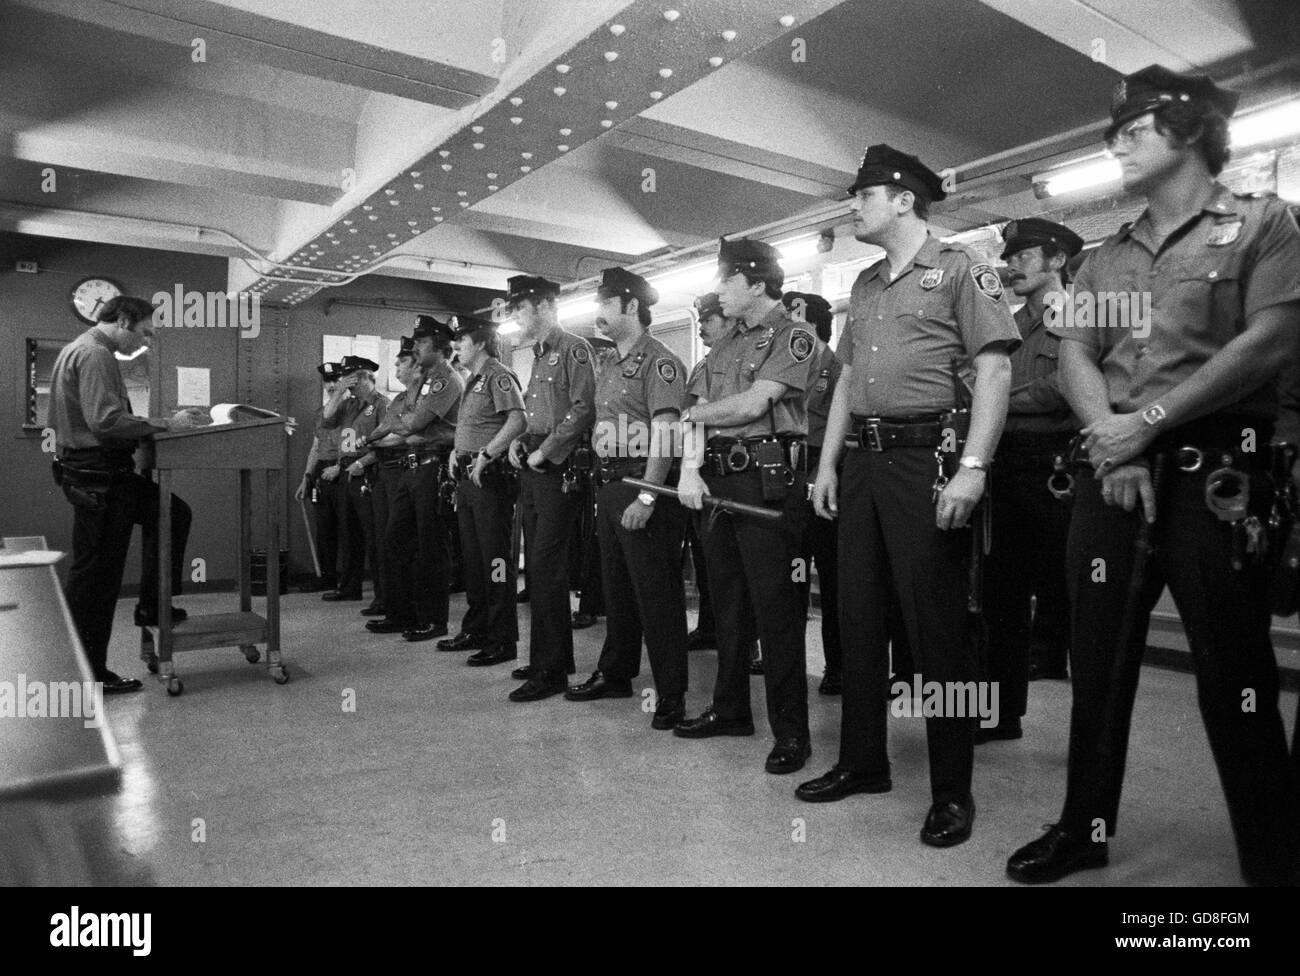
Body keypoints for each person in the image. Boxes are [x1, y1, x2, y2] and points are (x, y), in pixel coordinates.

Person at [1007, 65, 1300, 886]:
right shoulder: (1109, 255)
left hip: (1213, 477)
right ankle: (1083, 828)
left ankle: (1273, 859)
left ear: (1189, 130)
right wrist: (1112, 435)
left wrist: (1145, 426)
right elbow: (1076, 351)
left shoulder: (1261, 226)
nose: (1116, 145)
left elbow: (1269, 342)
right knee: (1097, 665)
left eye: (1132, 131)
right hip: (1112, 473)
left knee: (1234, 677)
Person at [795, 144, 1018, 849]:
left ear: (902, 200)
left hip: (929, 459)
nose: (853, 207)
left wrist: (975, 467)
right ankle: (863, 762)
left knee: (937, 630)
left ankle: (953, 792)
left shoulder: (961, 270)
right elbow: (846, 384)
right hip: (861, 461)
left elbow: (994, 375)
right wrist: (828, 465)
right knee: (856, 615)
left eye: (862, 197)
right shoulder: (861, 285)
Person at [674, 238, 816, 775]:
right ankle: (730, 708)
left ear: (756, 284)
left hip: (765, 481)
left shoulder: (794, 335)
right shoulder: (722, 345)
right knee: (725, 602)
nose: (718, 292)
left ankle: (792, 733)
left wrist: (701, 417)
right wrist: (689, 468)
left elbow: (757, 402)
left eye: (726, 280)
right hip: (715, 481)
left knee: (776, 610)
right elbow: (695, 416)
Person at [565, 267, 689, 730]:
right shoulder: (610, 362)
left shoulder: (660, 362)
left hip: (644, 486)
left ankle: (672, 693)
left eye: (603, 304)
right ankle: (615, 672)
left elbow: (667, 433)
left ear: (630, 306)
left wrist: (650, 497)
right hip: (611, 485)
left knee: (657, 595)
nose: (597, 313)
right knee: (616, 588)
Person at [49, 294, 192, 693]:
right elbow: (106, 421)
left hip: (89, 473)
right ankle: (89, 674)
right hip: (102, 477)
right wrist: (166, 423)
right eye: (145, 332)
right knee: (98, 578)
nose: (146, 341)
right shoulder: (97, 355)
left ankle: (151, 604)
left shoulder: (76, 349)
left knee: (171, 513)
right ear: (125, 320)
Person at [977, 218, 1082, 742]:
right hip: (1005, 466)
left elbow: (1064, 388)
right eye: (1009, 255)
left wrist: (991, 403)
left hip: (1058, 470)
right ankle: (999, 715)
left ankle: (1090, 732)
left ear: (1058, 260)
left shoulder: (1086, 315)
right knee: (1002, 597)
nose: (1011, 264)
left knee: (1078, 597)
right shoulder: (1008, 325)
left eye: (1024, 255)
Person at [506, 275, 596, 701]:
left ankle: (552, 669)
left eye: (519, 308)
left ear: (543, 306)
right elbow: (538, 414)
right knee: (539, 570)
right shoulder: (540, 356)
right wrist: (519, 444)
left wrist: (545, 451)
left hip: (559, 470)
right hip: (535, 467)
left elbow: (582, 410)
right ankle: (546, 658)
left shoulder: (574, 349)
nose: (514, 317)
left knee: (546, 567)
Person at [363, 316, 462, 641]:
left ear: (438, 345)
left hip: (433, 464)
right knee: (395, 539)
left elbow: (411, 424)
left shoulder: (446, 379)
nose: (416, 348)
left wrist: (402, 425)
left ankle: (434, 620)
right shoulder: (424, 382)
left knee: (431, 545)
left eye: (421, 343)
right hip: (411, 465)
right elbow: (399, 421)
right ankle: (401, 612)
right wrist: (401, 425)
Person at [438, 315, 526, 666]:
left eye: (462, 341)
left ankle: (503, 640)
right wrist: (454, 451)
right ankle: (476, 629)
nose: (456, 346)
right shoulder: (472, 379)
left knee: (496, 561)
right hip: (468, 477)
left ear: (481, 343)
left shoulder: (498, 375)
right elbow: (473, 425)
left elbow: (518, 419)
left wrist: (487, 454)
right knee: (474, 560)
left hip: (490, 479)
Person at [784, 291, 845, 695]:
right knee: (791, 572)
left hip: (826, 469)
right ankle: (785, 660)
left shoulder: (838, 367)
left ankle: (838, 666)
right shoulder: (786, 367)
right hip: (788, 474)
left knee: (834, 575)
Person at [319, 356, 387, 605]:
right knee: (349, 534)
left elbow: (388, 443)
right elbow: (327, 419)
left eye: (355, 377)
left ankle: (383, 595)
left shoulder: (381, 405)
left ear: (368, 377)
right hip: (346, 470)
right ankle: (349, 587)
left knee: (373, 536)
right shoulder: (348, 405)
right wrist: (338, 392)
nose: (351, 383)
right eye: (348, 378)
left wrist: (362, 463)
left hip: (367, 471)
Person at [363, 337, 420, 622]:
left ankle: (407, 609)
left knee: (403, 540)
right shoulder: (400, 398)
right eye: (395, 363)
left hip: (404, 467)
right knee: (388, 539)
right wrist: (370, 438)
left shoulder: (422, 395)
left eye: (402, 363)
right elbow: (385, 428)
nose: (396, 368)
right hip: (390, 470)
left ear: (417, 365)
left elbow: (405, 433)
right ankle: (392, 604)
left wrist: (374, 444)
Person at [295, 362, 345, 594]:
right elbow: (315, 446)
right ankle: (327, 577)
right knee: (324, 529)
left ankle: (348, 581)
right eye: (328, 381)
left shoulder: (349, 409)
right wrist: (307, 477)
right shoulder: (321, 414)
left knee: (346, 530)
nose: (332, 385)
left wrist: (339, 467)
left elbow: (351, 442)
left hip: (343, 470)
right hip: (322, 472)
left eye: (336, 380)